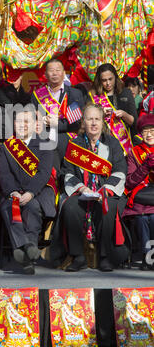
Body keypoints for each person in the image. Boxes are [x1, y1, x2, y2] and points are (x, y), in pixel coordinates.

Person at [55, 103, 129, 272]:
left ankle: (105, 256)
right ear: (83, 122)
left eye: (97, 119)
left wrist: (105, 190)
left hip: (107, 192)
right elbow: (67, 172)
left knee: (108, 206)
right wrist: (82, 189)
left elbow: (120, 171)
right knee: (71, 207)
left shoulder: (113, 144)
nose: (94, 123)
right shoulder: (75, 144)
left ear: (103, 122)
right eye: (90, 119)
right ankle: (78, 256)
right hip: (83, 192)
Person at [0, 104, 59, 274]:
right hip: (13, 193)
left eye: (27, 121)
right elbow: (4, 174)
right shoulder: (6, 147)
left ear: (34, 124)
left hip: (37, 192)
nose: (23, 125)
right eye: (19, 121)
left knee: (32, 207)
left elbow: (44, 173)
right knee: (10, 206)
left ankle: (22, 253)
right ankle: (28, 248)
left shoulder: (45, 144)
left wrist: (30, 192)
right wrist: (14, 192)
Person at [31, 58, 85, 161]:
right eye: (51, 70)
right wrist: (42, 121)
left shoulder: (74, 94)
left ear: (64, 73)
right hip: (44, 140)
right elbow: (32, 120)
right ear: (45, 74)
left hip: (68, 139)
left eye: (58, 70)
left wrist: (56, 124)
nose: (54, 73)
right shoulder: (37, 95)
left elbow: (77, 123)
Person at [122, 114, 154, 270]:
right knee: (143, 218)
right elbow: (129, 181)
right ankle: (146, 256)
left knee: (153, 217)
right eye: (145, 131)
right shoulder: (134, 152)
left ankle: (150, 256)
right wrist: (145, 166)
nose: (148, 135)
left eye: (152, 131)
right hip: (141, 196)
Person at [88, 63, 138, 155]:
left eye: (110, 79)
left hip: (123, 144)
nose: (108, 83)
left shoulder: (126, 93)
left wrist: (123, 114)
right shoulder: (93, 96)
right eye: (104, 80)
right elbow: (86, 122)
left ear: (116, 77)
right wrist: (99, 114)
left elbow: (134, 122)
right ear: (99, 81)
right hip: (101, 143)